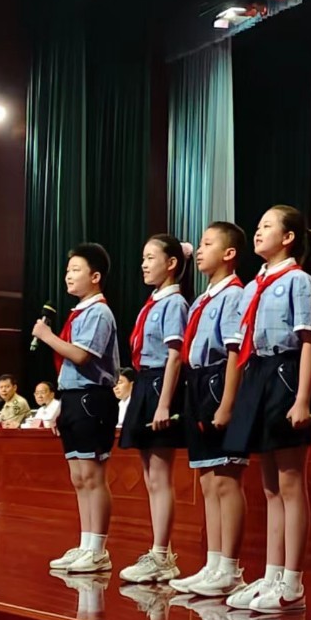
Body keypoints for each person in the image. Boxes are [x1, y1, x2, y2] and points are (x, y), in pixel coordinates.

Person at [216, 205, 311, 614]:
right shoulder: (252, 287)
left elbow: (309, 340)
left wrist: (301, 397)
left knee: (291, 483)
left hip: (285, 374)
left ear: (289, 237)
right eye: (257, 226)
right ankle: (273, 573)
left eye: (267, 226)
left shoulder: (298, 281)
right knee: (270, 485)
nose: (258, 232)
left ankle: (292, 581)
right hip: (257, 373)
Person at [170, 222, 250, 598]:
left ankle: (230, 567)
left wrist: (227, 402)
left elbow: (235, 352)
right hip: (197, 381)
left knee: (225, 478)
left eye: (207, 244)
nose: (199, 250)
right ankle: (213, 563)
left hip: (219, 379)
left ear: (229, 253)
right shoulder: (203, 299)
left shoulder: (235, 294)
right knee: (206, 479)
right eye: (199, 245)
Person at [33, 244, 120, 573]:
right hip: (72, 397)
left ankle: (98, 548)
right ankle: (85, 544)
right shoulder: (80, 312)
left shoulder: (99, 312)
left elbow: (82, 356)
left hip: (92, 398)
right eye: (67, 270)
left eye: (76, 270)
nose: (68, 276)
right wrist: (61, 404)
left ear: (95, 276)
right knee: (79, 477)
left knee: (94, 475)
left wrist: (46, 335)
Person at [118, 235, 191, 584]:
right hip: (146, 382)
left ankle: (162, 555)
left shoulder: (174, 303)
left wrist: (164, 403)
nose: (144, 265)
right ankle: (159, 550)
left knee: (160, 476)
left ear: (171, 263)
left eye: (151, 258)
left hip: (162, 384)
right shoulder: (154, 301)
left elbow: (175, 355)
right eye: (143, 258)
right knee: (150, 476)